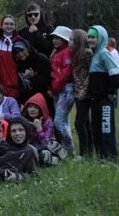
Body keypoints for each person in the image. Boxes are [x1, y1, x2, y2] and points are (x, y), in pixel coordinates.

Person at [87, 25, 119, 161]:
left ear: (100, 38)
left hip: (104, 100)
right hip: (95, 100)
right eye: (88, 37)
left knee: (106, 129)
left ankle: (111, 159)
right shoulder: (95, 54)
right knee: (96, 129)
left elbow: (116, 74)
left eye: (93, 37)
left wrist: (111, 92)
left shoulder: (104, 53)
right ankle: (101, 157)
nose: (90, 39)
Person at [21, 92, 67, 165]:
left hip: (47, 146)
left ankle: (55, 155)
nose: (32, 109)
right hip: (33, 148)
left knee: (52, 145)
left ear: (41, 108)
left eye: (35, 107)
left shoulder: (48, 121)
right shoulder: (24, 120)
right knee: (37, 154)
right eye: (30, 107)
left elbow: (46, 142)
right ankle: (50, 159)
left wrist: (39, 129)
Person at [49, 26, 74, 156]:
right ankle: (68, 151)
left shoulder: (68, 52)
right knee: (64, 121)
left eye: (58, 38)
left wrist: (55, 87)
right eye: (54, 37)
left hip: (66, 89)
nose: (55, 40)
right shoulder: (56, 52)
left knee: (58, 121)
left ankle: (69, 151)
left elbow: (66, 72)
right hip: (58, 90)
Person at [71, 29, 94, 157]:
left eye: (72, 39)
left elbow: (92, 73)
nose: (69, 42)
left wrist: (84, 90)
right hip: (77, 91)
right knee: (85, 122)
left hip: (84, 93)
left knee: (79, 123)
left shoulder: (87, 53)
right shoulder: (75, 53)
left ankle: (83, 153)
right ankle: (89, 152)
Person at [12, 39, 51, 106]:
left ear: (28, 48)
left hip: (44, 100)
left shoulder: (41, 60)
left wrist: (33, 76)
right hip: (28, 103)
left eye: (22, 50)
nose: (20, 54)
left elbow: (47, 82)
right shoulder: (19, 65)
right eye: (17, 53)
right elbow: (20, 85)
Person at [0, 15, 20, 99]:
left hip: (14, 83)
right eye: (6, 24)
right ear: (1, 25)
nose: (9, 26)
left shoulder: (19, 41)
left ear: (15, 26)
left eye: (11, 24)